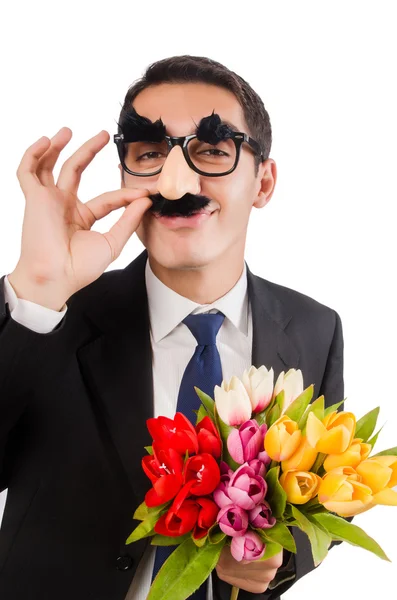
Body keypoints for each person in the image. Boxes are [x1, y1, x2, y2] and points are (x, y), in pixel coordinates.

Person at [0, 55, 344, 600]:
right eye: (150, 153)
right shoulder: (55, 316)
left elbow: (317, 500)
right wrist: (37, 291)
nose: (175, 182)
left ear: (264, 180)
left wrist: (277, 561)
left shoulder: (314, 329)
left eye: (212, 150)